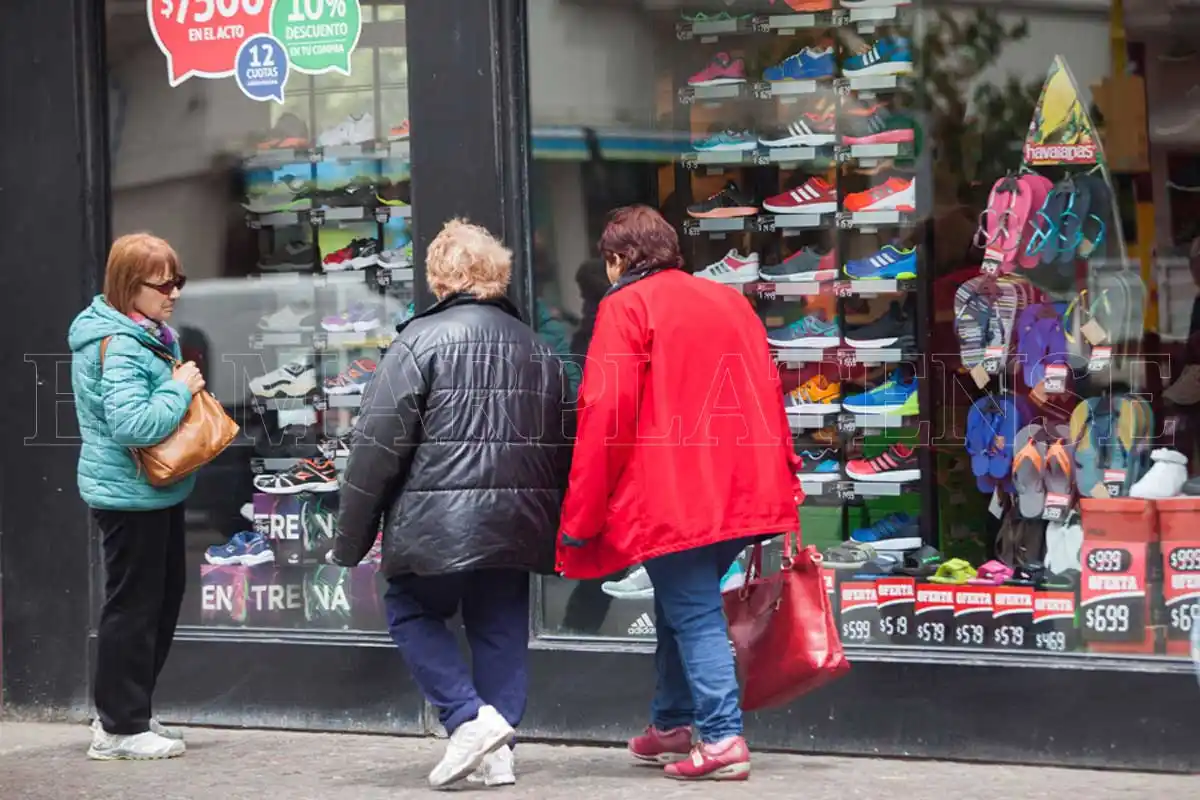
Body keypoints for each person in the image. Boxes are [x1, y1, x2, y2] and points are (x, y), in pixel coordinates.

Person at [558, 205, 801, 781]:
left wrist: (582, 512)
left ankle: (721, 738)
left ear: (618, 259)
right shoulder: (728, 300)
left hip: (673, 493)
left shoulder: (625, 306)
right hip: (741, 486)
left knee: (691, 611)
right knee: (678, 604)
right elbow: (768, 390)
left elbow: (605, 412)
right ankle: (671, 725)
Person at [330, 218, 570, 789]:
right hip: (518, 521)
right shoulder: (540, 350)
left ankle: (467, 720)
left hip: (437, 524)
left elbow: (375, 447)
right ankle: (499, 744)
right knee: (500, 623)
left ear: (441, 277)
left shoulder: (419, 342)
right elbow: (564, 443)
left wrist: (350, 539)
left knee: (410, 609)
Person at [69, 233, 205, 760]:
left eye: (179, 281)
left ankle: (130, 712)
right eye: (163, 283)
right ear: (131, 286)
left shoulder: (145, 333)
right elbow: (132, 424)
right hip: (129, 495)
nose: (173, 293)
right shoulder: (121, 343)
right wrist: (180, 388)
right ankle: (121, 728)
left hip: (154, 490)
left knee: (159, 601)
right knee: (134, 607)